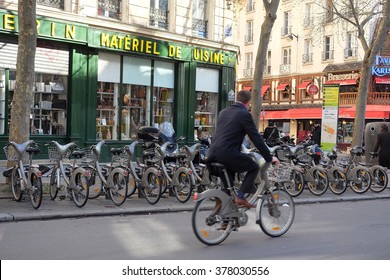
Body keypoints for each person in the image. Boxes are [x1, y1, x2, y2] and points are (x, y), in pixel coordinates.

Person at [207, 90, 273, 208]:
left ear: (237, 98)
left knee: (228, 188)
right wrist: (268, 156)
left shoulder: (223, 112)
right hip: (227, 154)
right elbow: (255, 138)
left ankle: (226, 220)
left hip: (212, 154)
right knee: (254, 167)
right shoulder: (244, 114)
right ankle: (241, 197)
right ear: (249, 102)